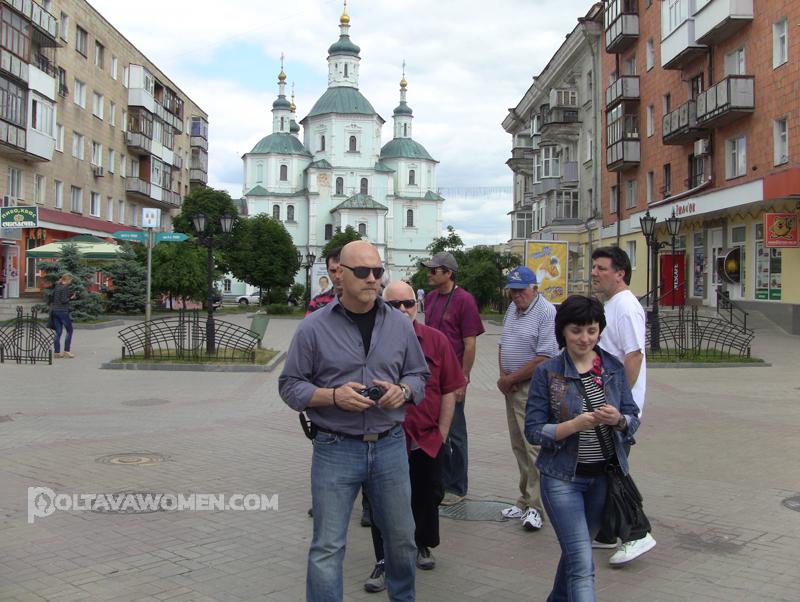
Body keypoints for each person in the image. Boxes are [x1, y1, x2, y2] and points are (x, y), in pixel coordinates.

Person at [279, 240, 430, 602]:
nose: (372, 279)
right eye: (362, 272)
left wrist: (403, 392)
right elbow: (290, 385)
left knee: (402, 540)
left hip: (390, 445)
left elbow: (419, 376)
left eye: (378, 271)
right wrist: (332, 396)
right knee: (328, 546)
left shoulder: (400, 324)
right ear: (340, 276)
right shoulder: (313, 328)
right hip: (335, 447)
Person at [526, 295, 640, 602]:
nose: (585, 338)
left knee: (576, 556)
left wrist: (619, 420)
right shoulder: (547, 372)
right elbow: (533, 431)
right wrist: (574, 425)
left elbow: (633, 419)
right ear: (563, 330)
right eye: (576, 330)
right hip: (562, 479)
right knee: (582, 564)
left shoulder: (613, 368)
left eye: (591, 330)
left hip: (603, 479)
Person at [363, 281, 465, 593]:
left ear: (416, 306)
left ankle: (422, 544)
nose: (402, 310)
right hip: (384, 440)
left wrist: (444, 432)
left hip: (426, 438)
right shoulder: (372, 343)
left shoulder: (436, 341)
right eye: (394, 305)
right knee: (382, 504)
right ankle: (384, 560)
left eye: (408, 304)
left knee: (426, 496)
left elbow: (450, 388)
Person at [590, 246, 657, 565]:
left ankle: (637, 532)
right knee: (606, 470)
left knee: (615, 472)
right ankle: (606, 532)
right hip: (609, 404)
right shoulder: (613, 305)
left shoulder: (627, 307)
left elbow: (633, 356)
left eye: (601, 268)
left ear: (620, 273)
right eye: (594, 268)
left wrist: (619, 405)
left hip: (619, 409)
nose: (594, 273)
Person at [305, 245, 371, 527]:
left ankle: (370, 504)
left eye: (338, 270)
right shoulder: (319, 304)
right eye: (331, 271)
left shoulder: (371, 307)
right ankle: (325, 501)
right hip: (330, 409)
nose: (335, 276)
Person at [497, 266, 558, 531]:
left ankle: (537, 506)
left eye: (521, 290)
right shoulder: (513, 309)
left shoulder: (546, 312)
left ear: (535, 288)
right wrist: (502, 376)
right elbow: (503, 343)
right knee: (518, 445)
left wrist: (510, 379)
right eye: (513, 290)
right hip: (511, 386)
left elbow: (545, 357)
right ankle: (524, 498)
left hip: (532, 387)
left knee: (533, 446)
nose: (516, 295)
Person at [422, 251, 484, 505]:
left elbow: (469, 345)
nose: (429, 273)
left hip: (453, 379)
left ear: (448, 273)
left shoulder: (464, 300)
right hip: (432, 378)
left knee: (456, 433)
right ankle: (440, 481)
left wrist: (464, 380)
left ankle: (457, 487)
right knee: (437, 430)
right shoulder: (431, 297)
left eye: (434, 270)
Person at [305, 246, 343, 315]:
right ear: (327, 271)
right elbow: (308, 325)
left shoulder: (361, 300)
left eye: (342, 271)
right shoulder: (317, 301)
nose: (337, 276)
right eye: (333, 271)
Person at [51, 273, 75, 359]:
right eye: (70, 281)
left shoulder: (57, 286)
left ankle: (56, 352)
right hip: (62, 311)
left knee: (58, 332)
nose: (70, 282)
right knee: (70, 330)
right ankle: (66, 351)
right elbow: (64, 300)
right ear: (67, 280)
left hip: (55, 311)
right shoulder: (65, 288)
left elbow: (55, 297)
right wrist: (71, 298)